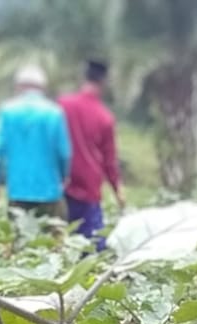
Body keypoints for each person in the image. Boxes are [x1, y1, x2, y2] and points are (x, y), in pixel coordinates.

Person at [0, 65, 72, 224]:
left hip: (18, 190)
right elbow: (64, 152)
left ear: (18, 87)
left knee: (20, 240)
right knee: (54, 240)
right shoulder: (54, 112)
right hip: (49, 190)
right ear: (42, 87)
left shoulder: (7, 111)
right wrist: (63, 176)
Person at [58, 59, 125, 250]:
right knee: (93, 247)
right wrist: (117, 188)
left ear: (84, 77)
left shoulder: (62, 104)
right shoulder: (104, 116)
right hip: (88, 189)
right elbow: (109, 160)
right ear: (104, 82)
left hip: (60, 185)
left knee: (59, 242)